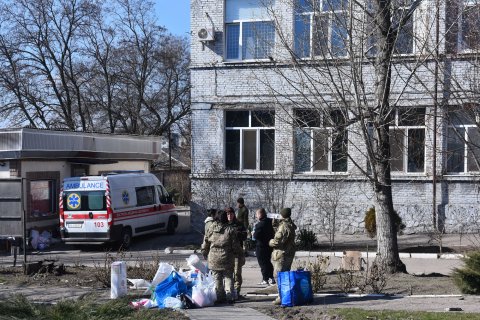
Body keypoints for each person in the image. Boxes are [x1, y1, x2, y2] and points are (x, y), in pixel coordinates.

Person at [201, 210, 241, 304]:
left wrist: (204, 252)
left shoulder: (210, 228)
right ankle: (229, 296)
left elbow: (206, 242)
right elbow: (235, 245)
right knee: (228, 277)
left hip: (214, 258)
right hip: (227, 257)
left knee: (217, 278)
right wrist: (238, 253)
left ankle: (220, 297)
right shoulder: (230, 230)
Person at [269, 207, 297, 305]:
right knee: (285, 275)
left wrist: (270, 242)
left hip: (282, 254)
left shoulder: (284, 226)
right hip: (289, 252)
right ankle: (286, 296)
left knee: (278, 276)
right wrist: (275, 226)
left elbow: (278, 241)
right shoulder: (290, 224)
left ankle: (281, 297)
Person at [226, 206, 247, 299]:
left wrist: (237, 233)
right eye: (227, 214)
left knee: (237, 273)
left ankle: (237, 292)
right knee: (228, 274)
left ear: (234, 214)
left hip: (237, 253)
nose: (229, 215)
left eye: (231, 213)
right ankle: (229, 292)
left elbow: (245, 236)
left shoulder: (239, 224)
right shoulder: (224, 224)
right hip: (227, 253)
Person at [253, 208, 275, 286]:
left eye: (257, 214)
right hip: (269, 246)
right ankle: (271, 277)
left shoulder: (260, 224)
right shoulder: (270, 222)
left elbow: (255, 236)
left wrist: (253, 233)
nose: (256, 216)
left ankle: (265, 279)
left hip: (261, 246)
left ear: (260, 214)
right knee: (268, 262)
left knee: (263, 263)